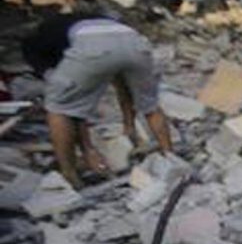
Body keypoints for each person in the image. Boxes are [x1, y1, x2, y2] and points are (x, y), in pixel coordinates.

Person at [22, 13, 173, 188]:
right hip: (134, 42)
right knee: (150, 105)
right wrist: (128, 126)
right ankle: (171, 158)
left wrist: (88, 149)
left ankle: (69, 174)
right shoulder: (91, 20)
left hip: (93, 48)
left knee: (58, 108)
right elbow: (123, 86)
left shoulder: (35, 46)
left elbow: (73, 109)